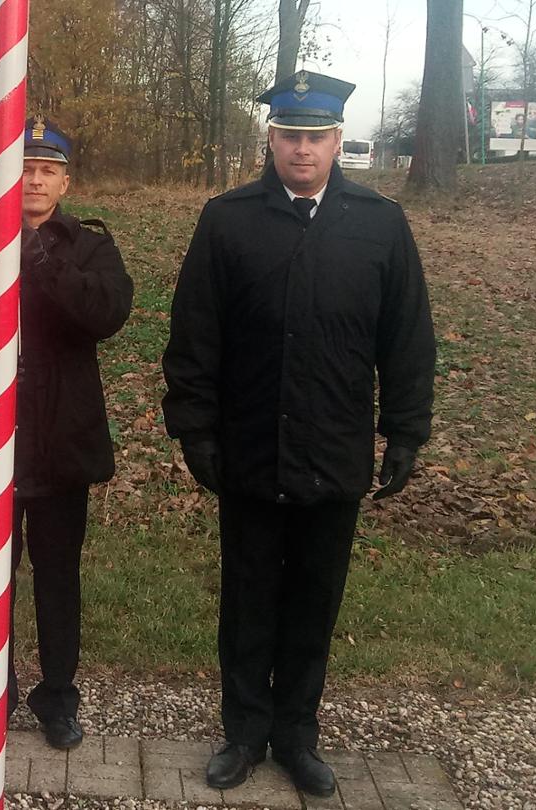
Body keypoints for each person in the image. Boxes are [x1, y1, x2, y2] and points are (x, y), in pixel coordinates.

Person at [160, 71, 435, 798]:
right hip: (247, 449)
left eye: (316, 137)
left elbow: (407, 340)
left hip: (334, 453)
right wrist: (195, 430)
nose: (303, 150)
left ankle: (297, 734)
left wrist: (404, 431)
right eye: (290, 136)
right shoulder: (228, 220)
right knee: (249, 599)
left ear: (339, 141)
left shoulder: (380, 224)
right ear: (271, 140)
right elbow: (194, 336)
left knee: (314, 601)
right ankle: (245, 732)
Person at [0, 116, 134, 752]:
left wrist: (43, 262)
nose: (33, 179)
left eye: (47, 170)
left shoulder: (88, 246)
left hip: (61, 442)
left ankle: (58, 698)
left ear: (65, 181)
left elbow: (107, 315)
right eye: (24, 167)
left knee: (58, 576)